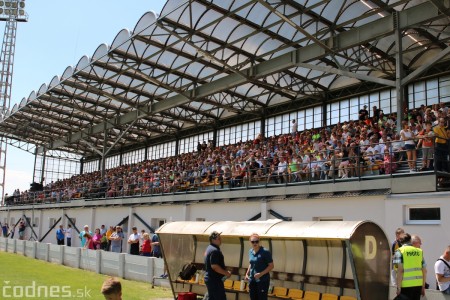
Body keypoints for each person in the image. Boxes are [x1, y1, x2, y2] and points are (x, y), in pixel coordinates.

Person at [393, 233, 427, 300]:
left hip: (405, 285)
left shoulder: (399, 251)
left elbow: (400, 270)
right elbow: (424, 270)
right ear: (410, 240)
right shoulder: (419, 251)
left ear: (400, 241)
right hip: (418, 285)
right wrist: (423, 286)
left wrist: (398, 287)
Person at [245, 233, 274, 300]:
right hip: (252, 280)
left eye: (256, 241)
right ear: (250, 242)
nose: (255, 243)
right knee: (253, 298)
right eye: (253, 242)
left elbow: (271, 266)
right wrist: (247, 274)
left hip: (262, 281)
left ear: (259, 241)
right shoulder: (250, 251)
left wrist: (260, 274)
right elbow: (251, 264)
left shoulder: (265, 252)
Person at [204, 231, 231, 300]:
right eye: (218, 238)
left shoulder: (209, 248)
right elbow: (214, 266)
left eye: (220, 238)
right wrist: (226, 273)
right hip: (214, 280)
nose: (220, 240)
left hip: (210, 279)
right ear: (213, 240)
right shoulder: (214, 250)